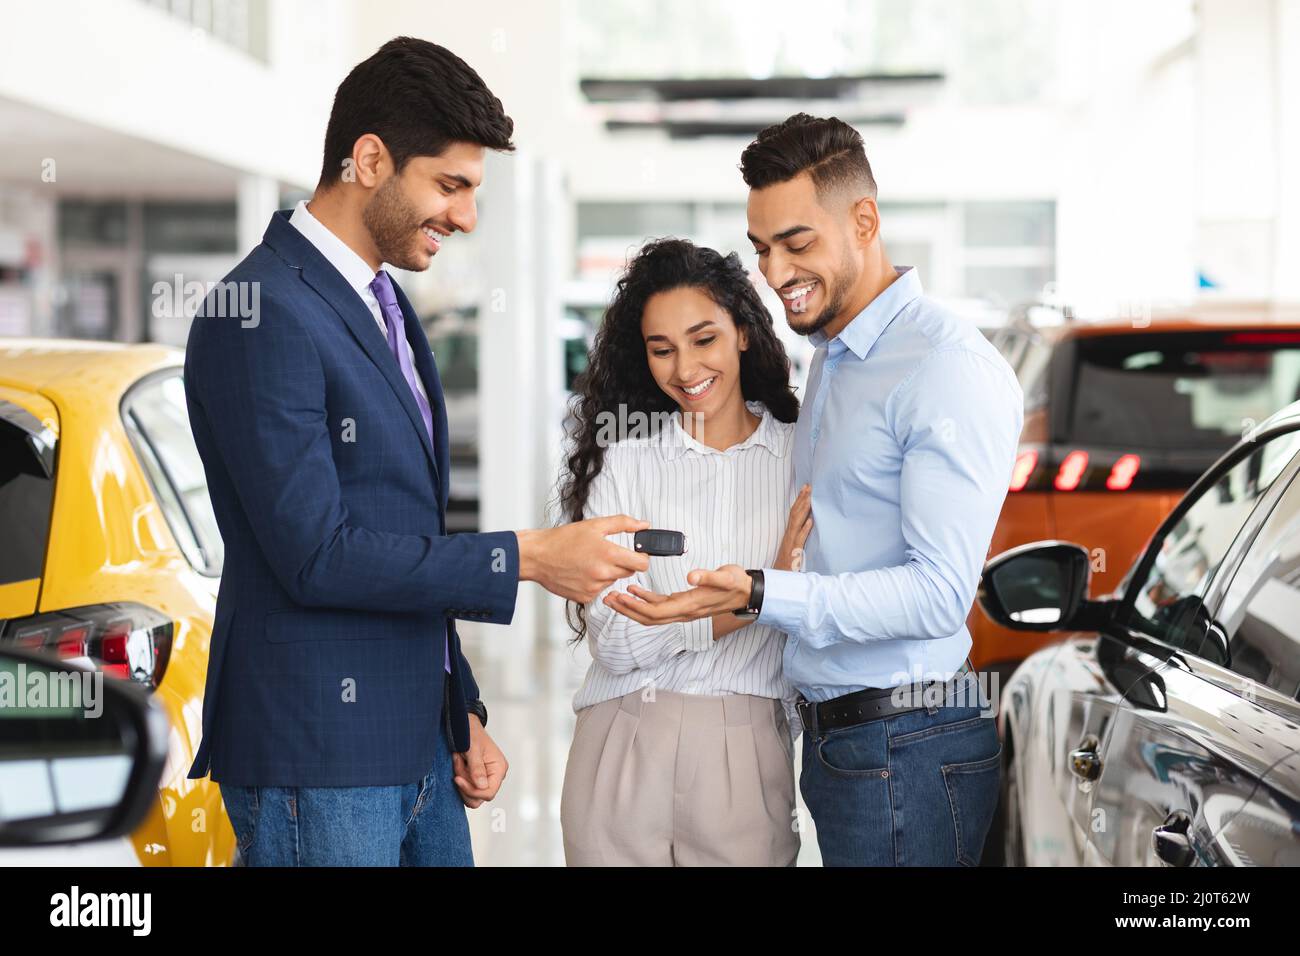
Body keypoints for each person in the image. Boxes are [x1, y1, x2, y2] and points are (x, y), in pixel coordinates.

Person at [184, 37, 649, 867]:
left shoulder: (384, 302)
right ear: (369, 159)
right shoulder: (255, 312)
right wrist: (530, 559)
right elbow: (319, 556)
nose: (467, 216)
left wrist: (458, 701)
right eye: (450, 185)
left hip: (418, 740)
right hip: (317, 751)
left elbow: (402, 527)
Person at [608, 114, 1024, 866]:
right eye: (763, 248)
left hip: (908, 741)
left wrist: (763, 592)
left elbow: (938, 593)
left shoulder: (941, 367)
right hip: (853, 741)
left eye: (797, 244)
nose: (774, 272)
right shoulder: (837, 353)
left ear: (864, 220)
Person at [557, 238, 811, 866]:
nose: (685, 369)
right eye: (661, 349)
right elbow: (614, 641)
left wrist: (679, 611)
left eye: (704, 339)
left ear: (744, 333)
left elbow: (815, 605)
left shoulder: (802, 456)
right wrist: (761, 591)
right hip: (621, 742)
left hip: (746, 740)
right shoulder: (626, 462)